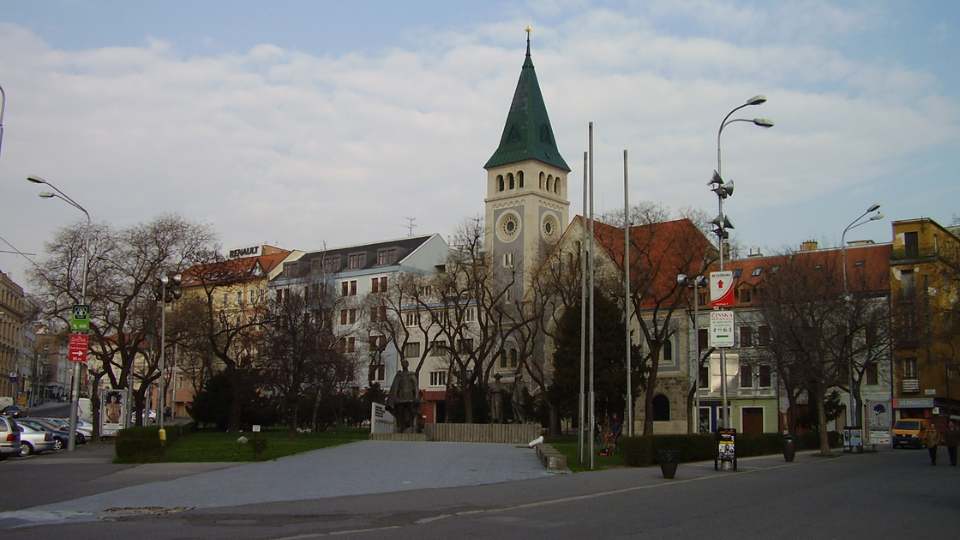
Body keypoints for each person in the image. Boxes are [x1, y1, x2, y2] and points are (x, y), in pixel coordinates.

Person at [386, 358, 419, 433]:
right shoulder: (399, 375)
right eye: (403, 363)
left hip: (410, 397)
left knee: (411, 412)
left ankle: (410, 426)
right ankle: (401, 426)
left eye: (405, 363)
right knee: (400, 412)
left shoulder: (411, 375)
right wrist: (394, 398)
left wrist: (416, 397)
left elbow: (415, 387)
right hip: (400, 398)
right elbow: (395, 387)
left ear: (407, 365)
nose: (404, 365)